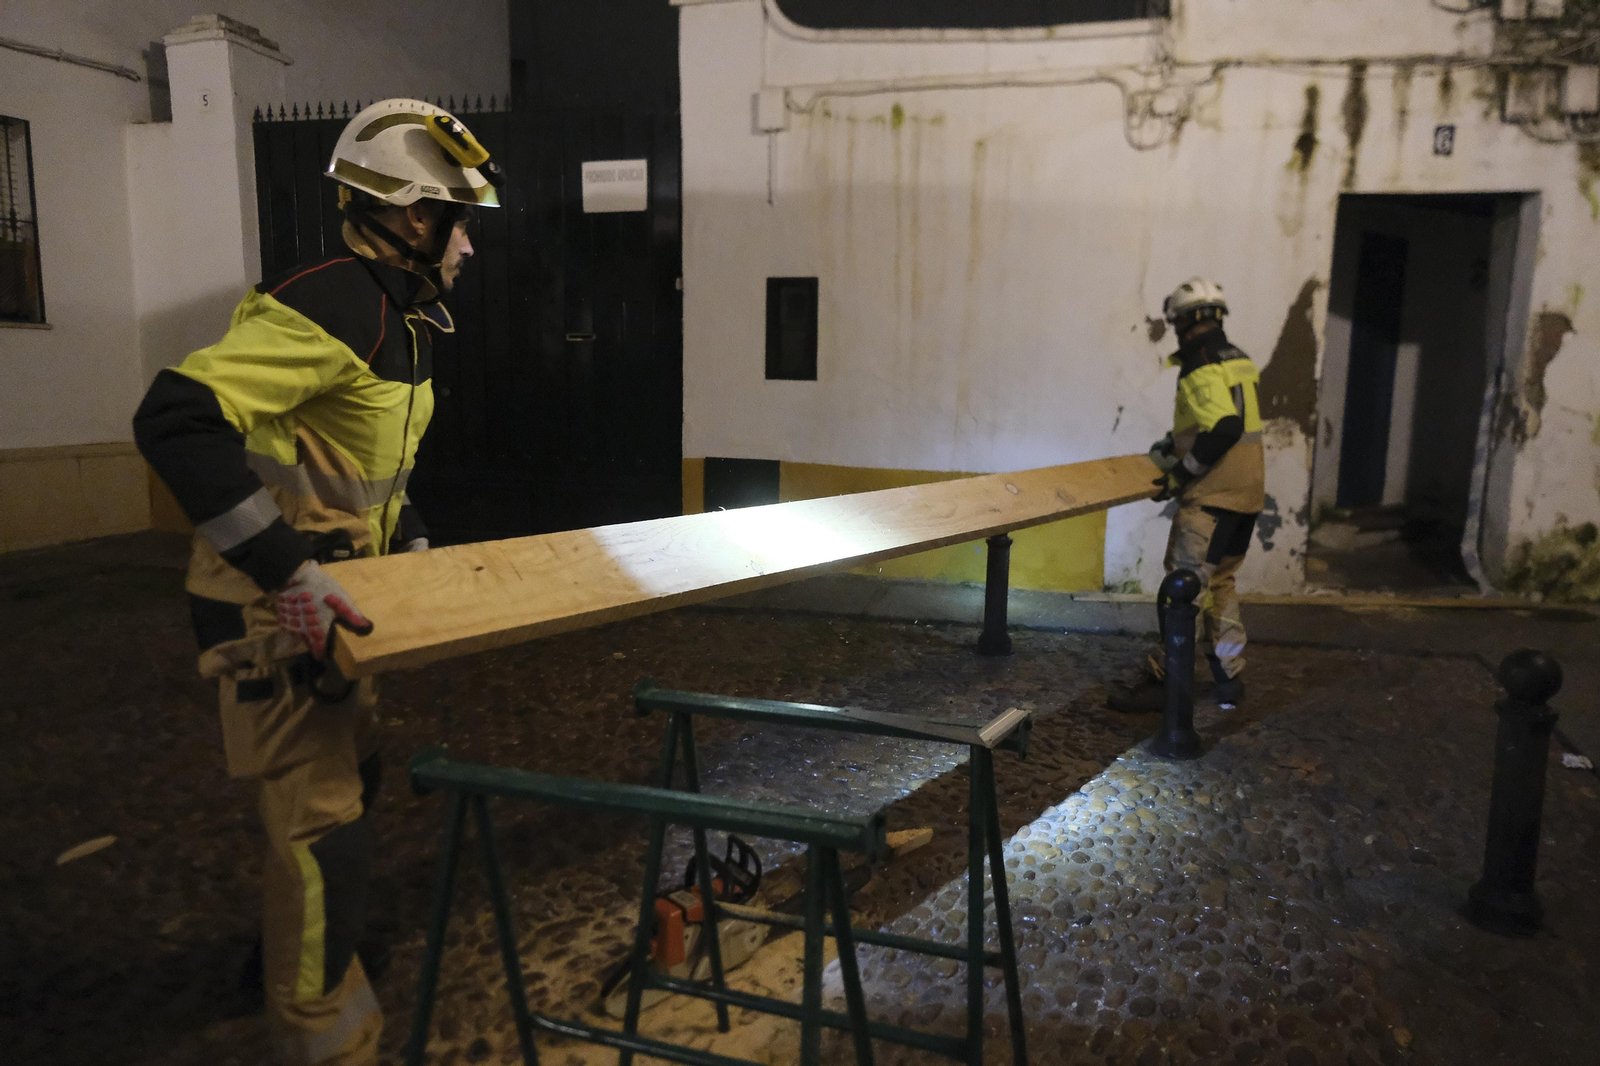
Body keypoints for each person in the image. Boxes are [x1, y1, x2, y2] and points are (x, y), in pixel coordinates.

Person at [133, 99, 502, 1065]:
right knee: (323, 825)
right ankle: (324, 1035)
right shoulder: (329, 308)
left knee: (349, 788)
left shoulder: (401, 317)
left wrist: (410, 534)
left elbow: (361, 467)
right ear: (413, 216)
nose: (469, 244)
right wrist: (286, 571)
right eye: (461, 221)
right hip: (273, 609)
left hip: (335, 601)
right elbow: (174, 419)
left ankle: (288, 960)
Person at [1109, 278, 1265, 714]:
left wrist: (1179, 476)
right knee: (1222, 584)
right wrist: (1170, 446)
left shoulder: (1199, 365)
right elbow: (1219, 421)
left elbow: (1225, 427)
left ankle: (1166, 681)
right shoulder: (1237, 358)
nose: (1175, 330)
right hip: (1247, 495)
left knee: (1182, 592)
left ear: (1188, 321)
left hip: (1212, 499)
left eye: (1176, 322)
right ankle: (1229, 676)